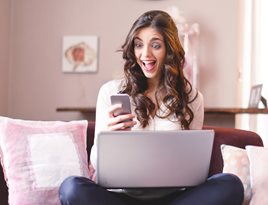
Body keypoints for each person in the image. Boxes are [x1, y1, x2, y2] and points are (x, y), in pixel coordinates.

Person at [59, 10, 244, 205]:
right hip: (121, 197)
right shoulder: (110, 92)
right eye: (139, 45)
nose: (145, 54)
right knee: (71, 188)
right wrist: (107, 136)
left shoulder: (192, 97)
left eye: (155, 45)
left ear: (169, 49)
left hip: (175, 199)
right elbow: (97, 167)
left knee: (230, 184)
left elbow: (194, 170)